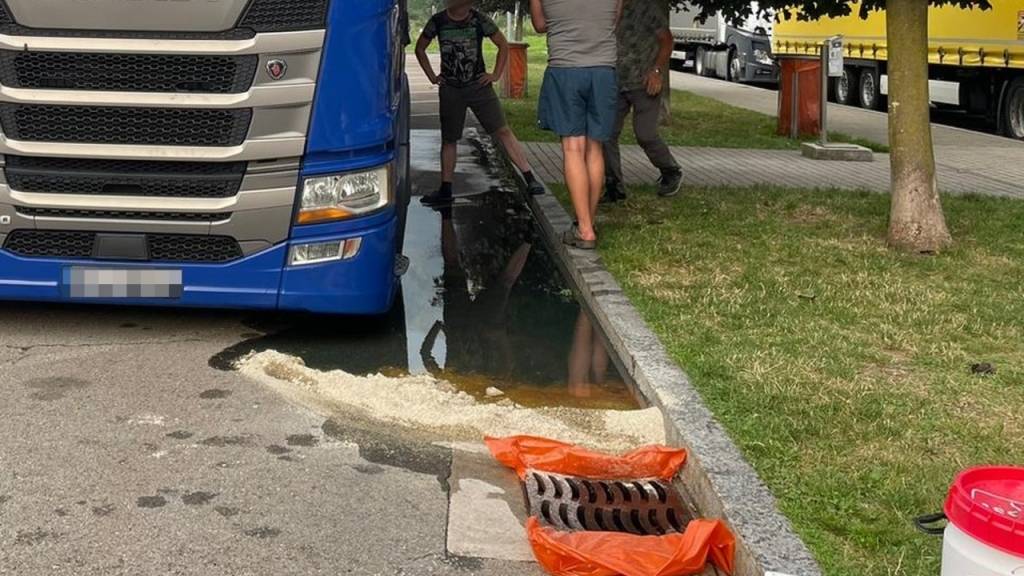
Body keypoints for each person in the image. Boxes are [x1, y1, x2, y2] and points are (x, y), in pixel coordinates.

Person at [415, 0, 545, 206]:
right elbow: (420, 48)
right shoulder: (438, 21)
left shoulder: (479, 20)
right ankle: (445, 188)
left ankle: (530, 177)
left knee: (502, 130)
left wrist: (495, 75)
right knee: (449, 138)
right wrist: (432, 76)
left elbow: (502, 44)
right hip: (451, 89)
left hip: (478, 87)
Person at [530, 0, 621, 250]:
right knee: (595, 149)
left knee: (573, 148)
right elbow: (614, 19)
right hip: (603, 70)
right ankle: (586, 223)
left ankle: (585, 229)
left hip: (566, 68)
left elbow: (539, 25)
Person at [603, 0, 682, 202]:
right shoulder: (605, 7)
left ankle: (670, 170)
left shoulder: (646, 7)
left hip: (645, 82)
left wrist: (656, 71)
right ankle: (614, 186)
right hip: (613, 82)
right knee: (606, 134)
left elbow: (666, 40)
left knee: (645, 134)